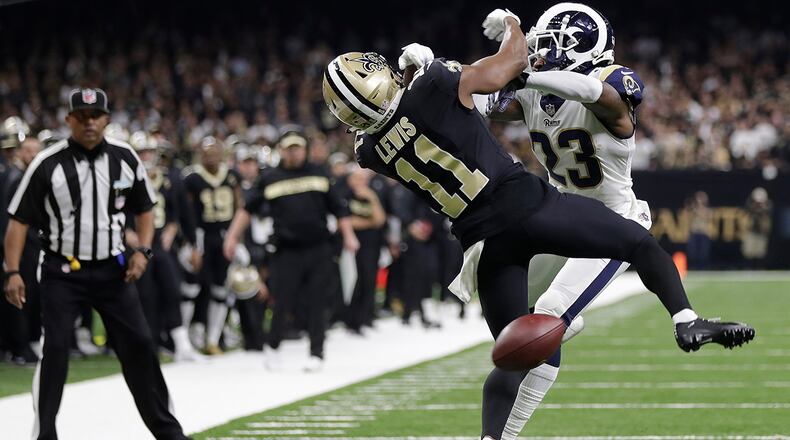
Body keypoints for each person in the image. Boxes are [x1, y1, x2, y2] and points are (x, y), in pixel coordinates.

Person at [321, 9, 755, 440]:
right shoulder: (462, 85)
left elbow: (577, 91)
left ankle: (495, 433)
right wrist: (482, 46)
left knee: (518, 344)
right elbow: (484, 83)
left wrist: (451, 72)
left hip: (485, 238)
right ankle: (683, 319)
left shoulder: (368, 151)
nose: (542, 48)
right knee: (546, 325)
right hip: (539, 212)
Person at [469, 2, 677, 432]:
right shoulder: (534, 90)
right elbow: (477, 95)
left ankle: (559, 326)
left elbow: (594, 94)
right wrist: (435, 70)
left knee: (547, 314)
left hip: (612, 222)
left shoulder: (612, 81)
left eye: (549, 45)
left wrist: (524, 73)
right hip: (559, 217)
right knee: (517, 323)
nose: (539, 53)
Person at [3, 88, 188, 440]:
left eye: (96, 116)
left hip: (112, 270)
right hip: (61, 270)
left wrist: (143, 251)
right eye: (82, 117)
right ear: (69, 119)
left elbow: (145, 208)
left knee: (141, 348)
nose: (89, 123)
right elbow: (18, 221)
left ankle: (169, 434)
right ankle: (44, 435)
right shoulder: (48, 163)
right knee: (55, 350)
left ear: (107, 119)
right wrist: (12, 272)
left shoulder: (125, 157)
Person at [223, 130, 359, 372]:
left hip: (318, 247)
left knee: (317, 302)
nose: (294, 152)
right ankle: (273, 346)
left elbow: (338, 208)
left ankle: (316, 351)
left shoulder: (319, 172)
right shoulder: (271, 178)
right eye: (289, 148)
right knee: (282, 299)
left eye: (297, 147)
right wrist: (233, 236)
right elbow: (247, 209)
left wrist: (348, 235)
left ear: (304, 149)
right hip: (286, 250)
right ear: (281, 150)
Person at [129, 131, 205, 362]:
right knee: (146, 295)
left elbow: (179, 212)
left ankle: (180, 344)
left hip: (160, 244)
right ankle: (149, 344)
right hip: (138, 245)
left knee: (172, 289)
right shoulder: (125, 178)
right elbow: (116, 209)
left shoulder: (169, 177)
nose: (146, 156)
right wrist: (126, 233)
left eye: (149, 151)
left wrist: (174, 227)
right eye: (142, 152)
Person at [182, 137, 242, 355]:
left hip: (224, 236)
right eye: (207, 153)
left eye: (215, 152)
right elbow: (185, 212)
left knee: (221, 288)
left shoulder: (232, 176)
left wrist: (237, 238)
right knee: (192, 287)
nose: (211, 157)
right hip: (201, 236)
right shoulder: (192, 178)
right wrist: (190, 244)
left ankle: (213, 338)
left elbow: (239, 206)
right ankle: (186, 338)